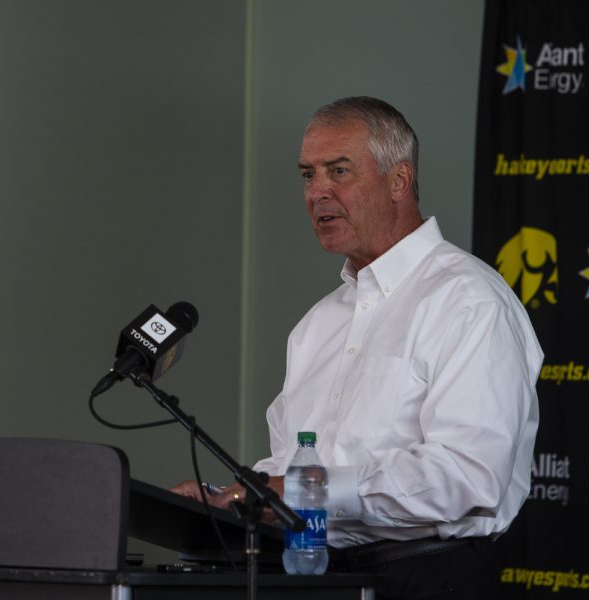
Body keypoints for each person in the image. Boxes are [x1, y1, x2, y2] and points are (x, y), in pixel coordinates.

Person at [172, 96, 542, 599]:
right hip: (319, 577)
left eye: (338, 171)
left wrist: (305, 492)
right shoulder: (316, 325)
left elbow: (466, 478)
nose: (317, 192)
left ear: (399, 180)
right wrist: (227, 498)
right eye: (307, 175)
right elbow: (293, 467)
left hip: (429, 579)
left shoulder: (469, 300)